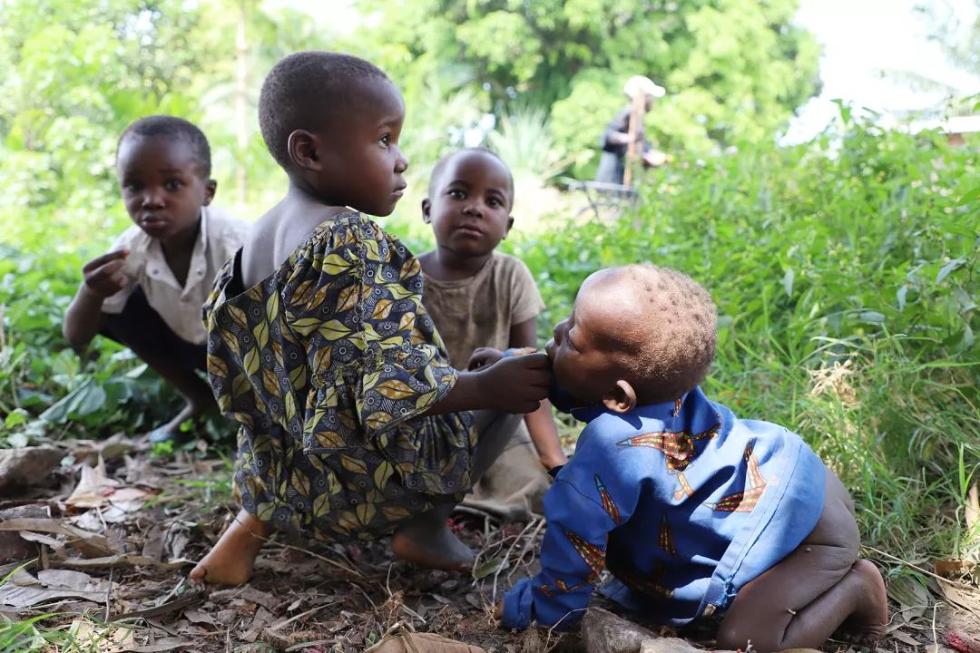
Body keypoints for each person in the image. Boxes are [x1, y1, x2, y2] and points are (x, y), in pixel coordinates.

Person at [189, 52, 552, 586]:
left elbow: (237, 378)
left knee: (293, 411)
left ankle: (245, 533)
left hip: (280, 472)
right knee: (509, 387)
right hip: (361, 483)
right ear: (310, 151)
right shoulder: (348, 241)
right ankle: (424, 527)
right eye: (385, 140)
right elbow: (389, 385)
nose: (401, 160)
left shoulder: (253, 244)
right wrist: (485, 387)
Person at [497, 265, 888, 652]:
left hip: (805, 536)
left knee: (747, 640)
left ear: (620, 398)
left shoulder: (609, 447)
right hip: (800, 477)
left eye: (573, 340)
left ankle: (859, 587)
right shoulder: (659, 387)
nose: (557, 332)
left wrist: (542, 612)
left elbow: (573, 546)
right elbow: (584, 390)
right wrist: (519, 367)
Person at [63, 116, 249, 443]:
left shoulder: (236, 244)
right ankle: (199, 398)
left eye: (172, 184)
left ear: (207, 192)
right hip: (193, 348)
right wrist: (90, 291)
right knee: (117, 309)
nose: (151, 199)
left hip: (247, 358)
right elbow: (76, 336)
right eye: (135, 185)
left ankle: (261, 412)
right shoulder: (130, 249)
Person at [419, 148, 566, 520]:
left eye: (493, 201)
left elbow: (528, 370)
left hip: (494, 427)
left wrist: (556, 462)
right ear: (426, 209)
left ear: (508, 226)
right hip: (425, 423)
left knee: (531, 485)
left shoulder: (511, 277)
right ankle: (434, 512)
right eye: (458, 193)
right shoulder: (403, 281)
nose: (475, 208)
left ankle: (469, 512)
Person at [594, 76, 667, 185]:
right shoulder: (628, 113)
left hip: (622, 181)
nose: (653, 101)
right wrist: (630, 138)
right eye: (651, 97)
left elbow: (639, 149)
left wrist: (650, 155)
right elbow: (607, 136)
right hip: (612, 180)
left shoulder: (638, 118)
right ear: (644, 97)